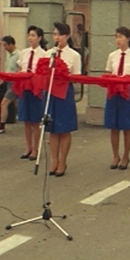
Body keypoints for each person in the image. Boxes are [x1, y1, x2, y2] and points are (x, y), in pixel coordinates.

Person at [104, 27, 130, 170]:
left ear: (128, 38)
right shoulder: (112, 56)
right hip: (113, 92)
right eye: (116, 37)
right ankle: (115, 155)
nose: (118, 40)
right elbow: (108, 72)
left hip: (127, 92)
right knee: (113, 126)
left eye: (121, 37)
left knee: (127, 126)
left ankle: (126, 156)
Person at [48, 22, 81, 177]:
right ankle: (54, 160)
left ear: (67, 36)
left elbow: (77, 77)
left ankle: (63, 161)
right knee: (53, 129)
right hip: (51, 92)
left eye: (60, 34)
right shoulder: (49, 53)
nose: (57, 38)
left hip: (65, 93)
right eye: (55, 34)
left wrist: (63, 74)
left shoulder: (74, 55)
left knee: (64, 128)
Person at [16, 27, 48, 160]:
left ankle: (36, 148)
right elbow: (20, 67)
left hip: (36, 89)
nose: (30, 38)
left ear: (39, 38)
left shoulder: (44, 54)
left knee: (35, 120)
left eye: (33, 35)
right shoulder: (24, 53)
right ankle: (28, 147)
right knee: (26, 119)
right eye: (29, 35)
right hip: (25, 87)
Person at [0, 35, 20, 134]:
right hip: (8, 82)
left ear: (11, 44)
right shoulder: (9, 55)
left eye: (5, 45)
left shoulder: (19, 55)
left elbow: (20, 70)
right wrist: (2, 81)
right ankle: (26, 119)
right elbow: (8, 70)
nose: (4, 48)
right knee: (17, 103)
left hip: (15, 82)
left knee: (4, 103)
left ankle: (1, 126)